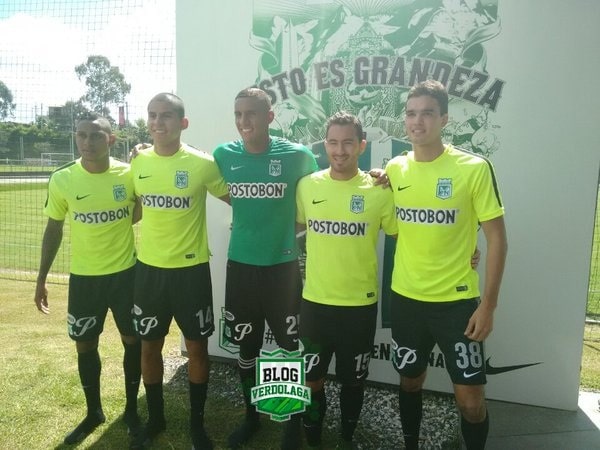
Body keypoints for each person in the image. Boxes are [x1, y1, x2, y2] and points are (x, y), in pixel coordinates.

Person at [385, 79, 507, 450]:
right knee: (409, 381)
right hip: (406, 300)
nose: (417, 122)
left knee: (471, 401)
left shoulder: (473, 168)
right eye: (410, 113)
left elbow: (498, 238)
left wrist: (488, 305)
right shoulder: (394, 169)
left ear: (444, 119)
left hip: (457, 305)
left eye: (427, 113)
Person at [212, 87, 319, 449]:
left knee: (287, 348)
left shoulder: (297, 156)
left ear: (269, 116)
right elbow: (187, 163)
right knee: (246, 349)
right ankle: (251, 417)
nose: (244, 121)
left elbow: (321, 194)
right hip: (240, 267)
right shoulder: (224, 155)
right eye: (239, 114)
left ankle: (288, 420)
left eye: (252, 114)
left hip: (282, 269)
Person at [34, 113, 142, 445]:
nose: (87, 142)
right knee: (84, 344)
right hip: (84, 279)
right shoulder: (63, 178)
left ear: (110, 139)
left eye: (95, 136)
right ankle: (93, 412)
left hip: (126, 274)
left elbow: (139, 209)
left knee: (132, 341)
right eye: (81, 135)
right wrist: (41, 279)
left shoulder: (130, 173)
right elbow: (54, 228)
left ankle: (132, 412)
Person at [129, 93, 229, 450]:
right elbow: (133, 208)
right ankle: (155, 420)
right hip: (150, 273)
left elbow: (237, 198)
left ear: (183, 123)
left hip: (191, 273)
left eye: (167, 116)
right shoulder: (138, 162)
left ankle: (196, 427)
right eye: (153, 116)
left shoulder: (203, 164)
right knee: (148, 348)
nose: (159, 123)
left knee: (197, 350)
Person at [296, 111, 398, 449]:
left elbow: (410, 234)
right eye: (333, 143)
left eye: (348, 143)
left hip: (359, 306)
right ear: (325, 144)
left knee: (354, 382)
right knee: (312, 380)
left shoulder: (379, 190)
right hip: (315, 305)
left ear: (361, 145)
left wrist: (465, 252)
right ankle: (313, 439)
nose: (340, 151)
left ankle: (346, 438)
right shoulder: (308, 186)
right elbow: (292, 229)